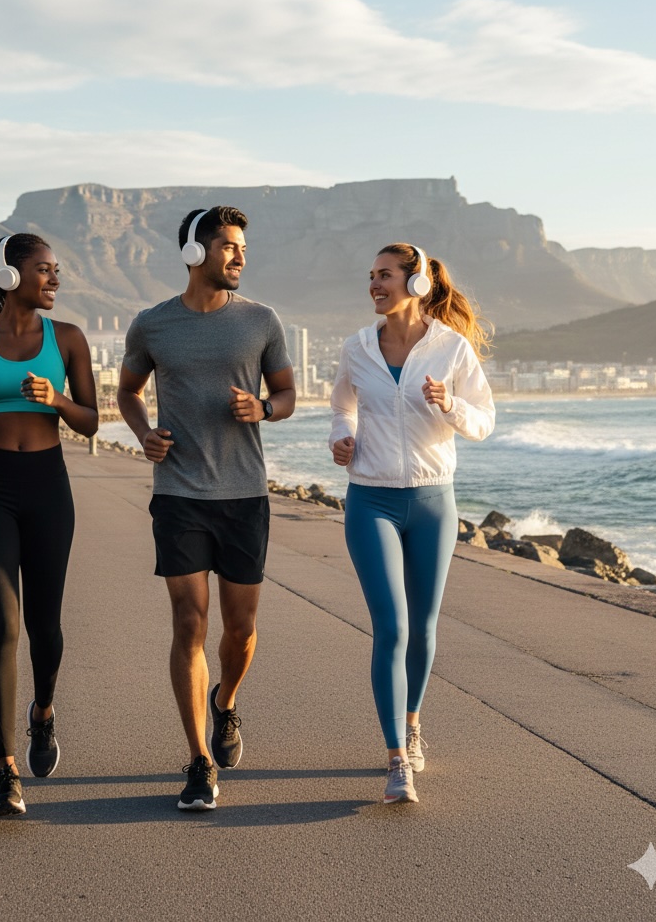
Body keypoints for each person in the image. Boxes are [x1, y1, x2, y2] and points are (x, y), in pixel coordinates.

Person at [117, 205, 296, 812]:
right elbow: (127, 391)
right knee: (189, 623)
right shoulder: (152, 325)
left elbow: (288, 394)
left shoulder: (262, 321)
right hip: (179, 495)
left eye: (242, 246)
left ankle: (225, 702)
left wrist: (264, 410)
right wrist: (145, 433)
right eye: (226, 245)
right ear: (194, 252)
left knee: (239, 630)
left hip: (244, 496)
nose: (239, 256)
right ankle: (197, 762)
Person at [328, 243, 495, 805]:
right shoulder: (356, 347)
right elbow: (341, 406)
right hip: (370, 499)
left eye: (386, 275)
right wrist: (340, 439)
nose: (375, 284)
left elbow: (483, 423)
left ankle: (414, 720)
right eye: (371, 275)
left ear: (417, 282)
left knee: (423, 629)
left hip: (432, 503)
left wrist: (449, 404)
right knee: (392, 628)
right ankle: (398, 758)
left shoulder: (451, 349)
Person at [0, 233, 97, 818]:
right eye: (44, 270)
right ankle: (5, 772)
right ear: (9, 276)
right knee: (2, 627)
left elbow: (92, 422)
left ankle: (43, 712)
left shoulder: (70, 339)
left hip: (48, 487)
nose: (54, 280)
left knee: (45, 628)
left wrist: (56, 399)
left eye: (57, 271)